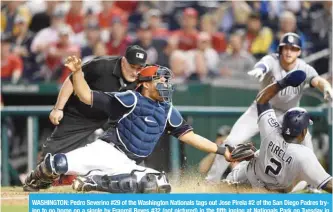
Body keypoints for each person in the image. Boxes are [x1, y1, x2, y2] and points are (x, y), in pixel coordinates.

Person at [23, 57, 233, 193]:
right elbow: (86, 96)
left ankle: (93, 182)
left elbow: (190, 136)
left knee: (159, 183)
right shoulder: (131, 99)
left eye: (167, 81)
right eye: (162, 80)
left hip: (129, 164)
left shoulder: (167, 109)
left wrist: (222, 150)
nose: (167, 85)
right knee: (55, 165)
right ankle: (36, 179)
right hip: (105, 151)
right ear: (147, 83)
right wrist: (77, 73)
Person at [206, 32, 333, 182]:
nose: (288, 51)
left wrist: (326, 88)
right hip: (261, 110)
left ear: (299, 51)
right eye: (285, 48)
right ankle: (211, 181)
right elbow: (264, 64)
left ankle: (313, 185)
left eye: (293, 48)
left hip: (287, 116)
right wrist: (260, 69)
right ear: (280, 49)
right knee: (231, 142)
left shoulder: (304, 68)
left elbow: (318, 80)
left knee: (307, 147)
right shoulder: (272, 60)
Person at [226, 70, 332, 193]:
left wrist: (283, 83)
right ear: (303, 132)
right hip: (263, 194)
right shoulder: (304, 155)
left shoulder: (271, 129)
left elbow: (262, 100)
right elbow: (328, 184)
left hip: (239, 178)